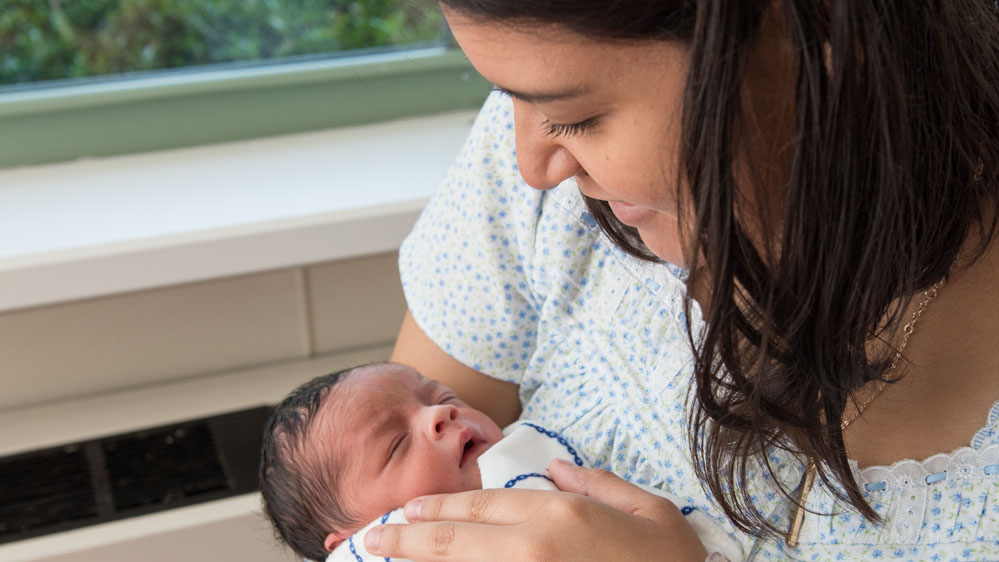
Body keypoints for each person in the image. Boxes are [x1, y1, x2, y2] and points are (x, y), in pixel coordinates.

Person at [362, 1, 999, 561]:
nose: (531, 165)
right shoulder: (535, 177)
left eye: (579, 117)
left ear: (814, 35)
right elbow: (371, 511)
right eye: (507, 98)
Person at [258, 363, 743, 562]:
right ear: (351, 540)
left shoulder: (533, 455)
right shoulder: (376, 550)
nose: (438, 414)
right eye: (395, 446)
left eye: (441, 396)